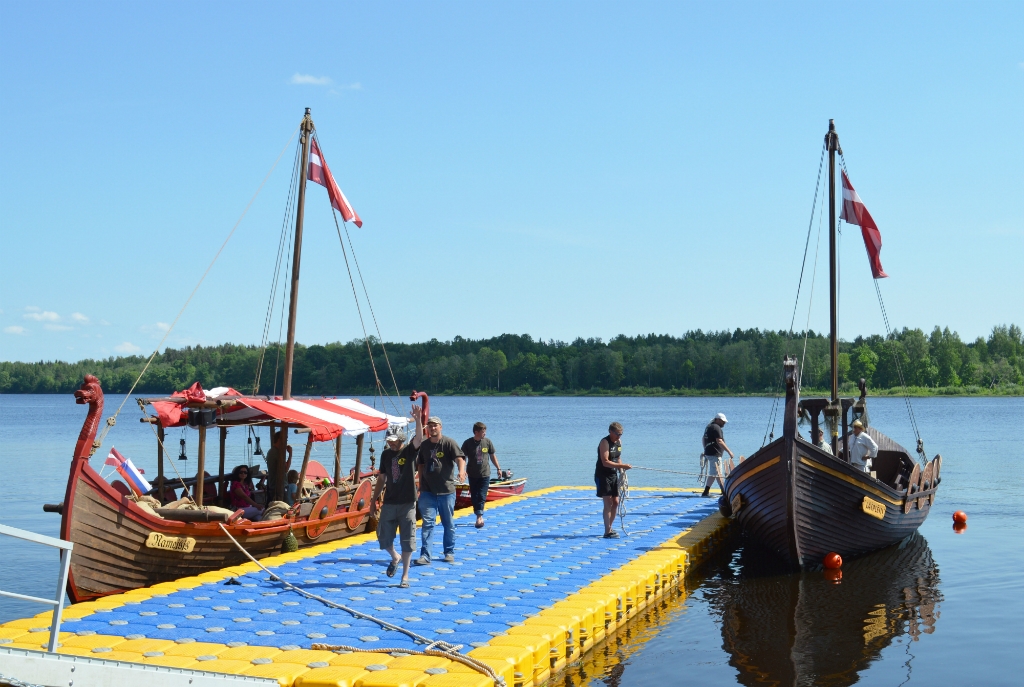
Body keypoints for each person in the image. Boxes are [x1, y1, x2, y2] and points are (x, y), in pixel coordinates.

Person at [371, 421, 420, 588]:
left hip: (407, 502)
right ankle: (395, 556)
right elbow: (382, 478)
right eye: (389, 441)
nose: (391, 444)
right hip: (390, 501)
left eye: (394, 441)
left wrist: (418, 419)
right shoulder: (385, 455)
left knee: (407, 539)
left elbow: (419, 439)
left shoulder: (408, 451)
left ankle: (405, 576)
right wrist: (374, 499)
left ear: (401, 440)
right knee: (382, 535)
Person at [414, 415, 466, 565]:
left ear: (440, 427)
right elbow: (421, 465)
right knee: (427, 523)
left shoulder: (448, 443)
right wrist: (420, 485)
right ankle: (425, 556)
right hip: (428, 492)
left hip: (446, 491)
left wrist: (461, 471)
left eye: (435, 425)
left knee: (448, 523)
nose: (432, 428)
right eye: (430, 426)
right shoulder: (424, 446)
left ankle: (449, 552)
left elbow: (460, 459)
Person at [595, 422, 632, 539]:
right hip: (603, 475)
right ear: (610, 431)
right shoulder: (604, 442)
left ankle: (610, 527)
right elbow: (605, 461)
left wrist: (622, 469)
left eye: (621, 434)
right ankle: (607, 531)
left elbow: (618, 458)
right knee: (608, 503)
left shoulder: (619, 442)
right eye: (617, 434)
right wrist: (621, 466)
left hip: (613, 474)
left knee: (615, 502)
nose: (619, 436)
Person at [462, 422, 501, 529]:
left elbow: (492, 456)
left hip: (485, 474)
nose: (485, 434)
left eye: (485, 431)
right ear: (476, 432)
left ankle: (479, 517)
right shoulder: (468, 443)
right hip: (472, 474)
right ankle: (477, 514)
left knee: (482, 495)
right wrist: (462, 470)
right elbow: (462, 458)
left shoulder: (487, 442)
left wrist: (498, 468)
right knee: (474, 495)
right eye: (483, 432)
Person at [702, 413, 735, 498]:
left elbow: (703, 438)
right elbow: (719, 441)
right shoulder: (716, 427)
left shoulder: (709, 426)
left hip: (710, 452)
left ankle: (721, 491)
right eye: (723, 421)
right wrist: (729, 451)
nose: (724, 423)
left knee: (716, 473)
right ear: (718, 420)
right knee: (716, 473)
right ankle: (717, 492)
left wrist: (705, 449)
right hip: (714, 453)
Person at [264, 429, 293, 499]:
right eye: (286, 440)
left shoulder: (271, 451)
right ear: (280, 440)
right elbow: (286, 469)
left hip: (273, 485)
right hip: (279, 486)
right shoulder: (277, 453)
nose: (286, 442)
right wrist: (290, 454)